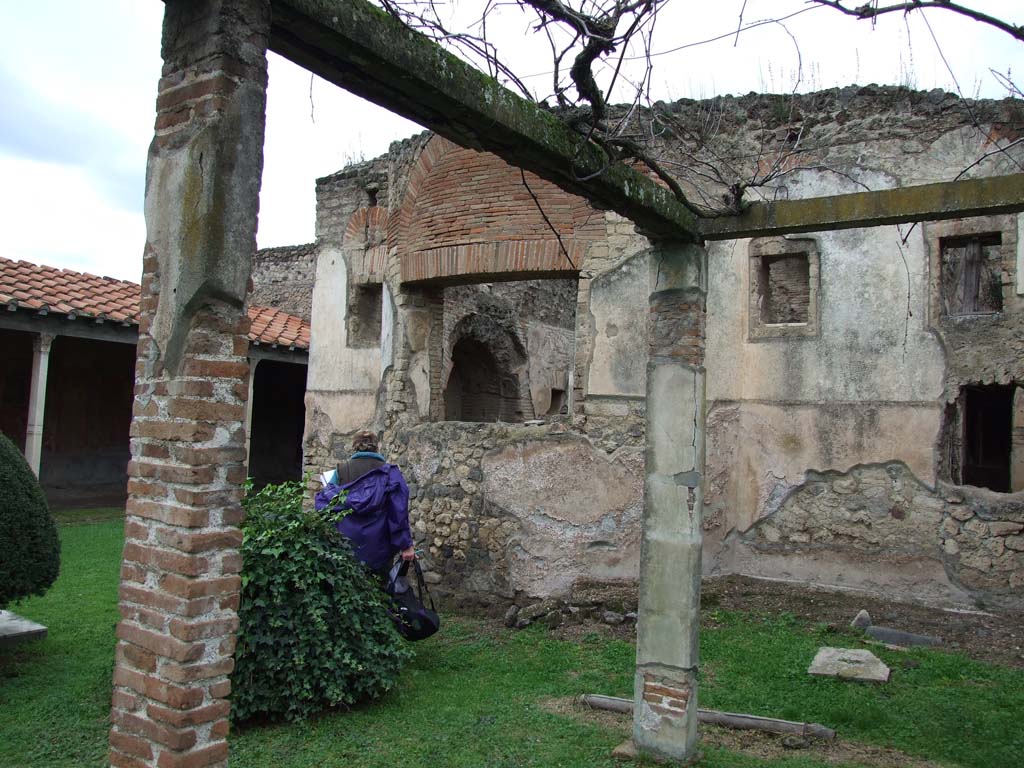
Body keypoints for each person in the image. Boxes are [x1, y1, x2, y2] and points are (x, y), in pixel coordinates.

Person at [315, 430, 416, 580]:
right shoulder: (389, 473)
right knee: (381, 587)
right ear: (376, 447)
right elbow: (398, 512)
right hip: (380, 546)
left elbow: (326, 506)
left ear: (354, 446)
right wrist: (405, 545)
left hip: (346, 544)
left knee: (349, 585)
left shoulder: (340, 471)